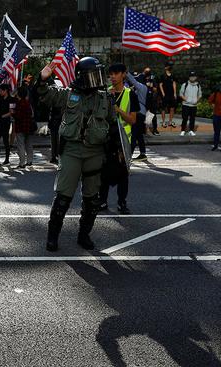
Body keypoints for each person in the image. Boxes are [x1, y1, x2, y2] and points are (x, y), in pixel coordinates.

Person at [35, 57, 115, 252]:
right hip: (72, 150)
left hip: (95, 152)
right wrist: (42, 79)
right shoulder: (68, 95)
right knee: (63, 197)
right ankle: (52, 237)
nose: (97, 79)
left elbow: (113, 126)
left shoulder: (105, 98)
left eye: (99, 74)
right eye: (92, 75)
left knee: (92, 199)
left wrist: (115, 155)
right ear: (82, 77)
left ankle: (84, 235)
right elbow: (44, 95)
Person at [100, 63, 138, 214]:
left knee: (123, 173)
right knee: (103, 172)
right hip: (106, 140)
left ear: (124, 74)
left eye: (116, 73)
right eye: (111, 74)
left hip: (123, 141)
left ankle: (122, 203)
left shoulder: (130, 94)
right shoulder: (105, 93)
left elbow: (132, 120)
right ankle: (102, 201)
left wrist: (117, 110)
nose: (113, 77)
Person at [0, 83, 15, 165]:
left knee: (5, 141)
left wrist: (3, 116)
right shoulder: (0, 98)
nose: (0, 92)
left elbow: (12, 112)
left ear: (5, 91)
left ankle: (7, 159)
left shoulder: (11, 99)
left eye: (1, 90)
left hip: (6, 122)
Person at [126, 70, 148, 161]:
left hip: (138, 113)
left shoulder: (142, 87)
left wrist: (126, 72)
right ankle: (143, 154)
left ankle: (129, 155)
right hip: (141, 113)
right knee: (139, 134)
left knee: (134, 134)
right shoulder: (141, 88)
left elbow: (134, 82)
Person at [13, 85, 35, 168]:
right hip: (28, 126)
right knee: (28, 144)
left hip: (20, 126)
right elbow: (32, 114)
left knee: (21, 145)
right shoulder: (27, 103)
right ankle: (30, 160)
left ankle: (22, 162)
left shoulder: (19, 103)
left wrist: (13, 113)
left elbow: (18, 116)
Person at [179, 72, 202, 136]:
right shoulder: (185, 84)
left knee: (192, 119)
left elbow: (200, 95)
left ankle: (191, 130)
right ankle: (183, 130)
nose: (192, 77)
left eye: (194, 76)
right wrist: (187, 100)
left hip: (194, 105)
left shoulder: (198, 85)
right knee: (185, 118)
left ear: (196, 77)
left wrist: (196, 101)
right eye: (191, 76)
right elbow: (181, 94)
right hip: (186, 105)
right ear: (189, 77)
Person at [159, 61, 177, 128]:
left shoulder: (173, 75)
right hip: (165, 94)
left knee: (172, 108)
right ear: (166, 67)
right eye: (169, 66)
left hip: (171, 94)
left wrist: (175, 93)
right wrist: (163, 93)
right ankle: (163, 122)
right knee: (163, 108)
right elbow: (160, 85)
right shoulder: (162, 75)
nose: (170, 67)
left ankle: (170, 121)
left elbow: (174, 84)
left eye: (171, 66)